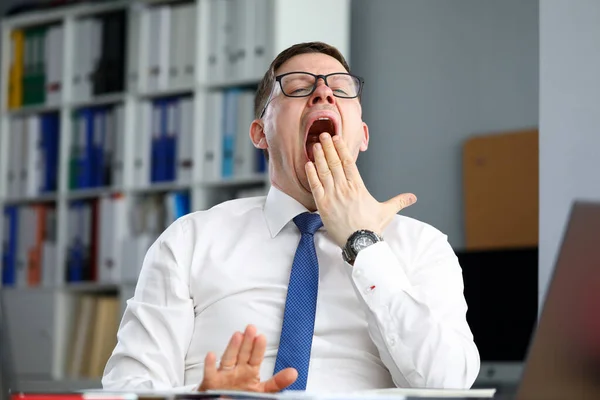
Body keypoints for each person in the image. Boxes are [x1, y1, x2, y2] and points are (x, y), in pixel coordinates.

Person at [102, 41, 480, 393]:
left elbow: (448, 385)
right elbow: (128, 386)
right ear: (260, 133)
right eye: (297, 87)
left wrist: (363, 243)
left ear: (363, 136)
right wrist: (200, 399)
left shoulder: (423, 246)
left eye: (341, 88)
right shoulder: (189, 241)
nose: (323, 93)